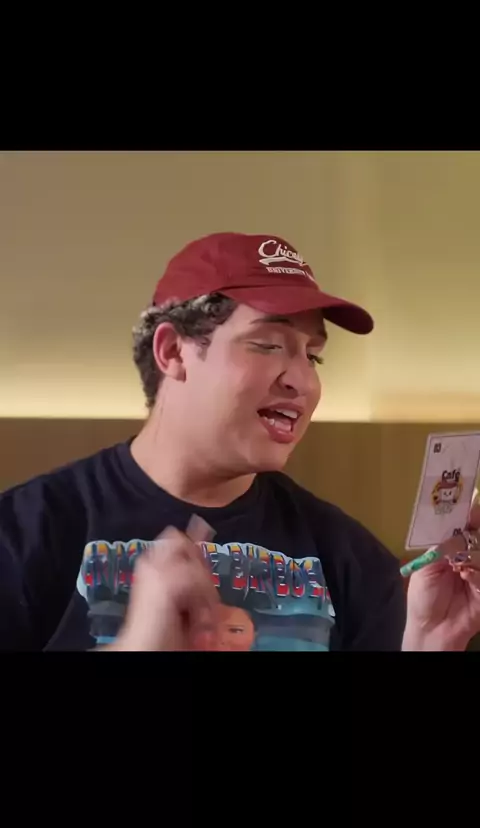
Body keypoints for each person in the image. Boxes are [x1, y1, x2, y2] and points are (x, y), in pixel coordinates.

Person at [1, 231, 479, 652]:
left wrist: (431, 644)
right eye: (267, 345)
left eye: (314, 357)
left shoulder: (354, 559)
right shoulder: (24, 535)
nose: (303, 382)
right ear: (173, 352)